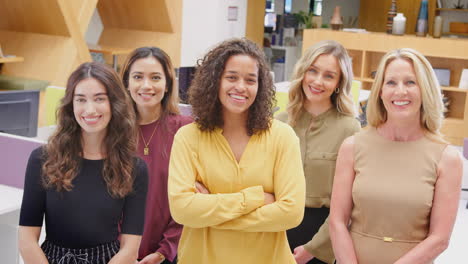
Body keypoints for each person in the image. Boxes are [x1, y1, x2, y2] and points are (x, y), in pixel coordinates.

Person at [168, 38, 305, 264]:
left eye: (250, 80)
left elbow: (291, 213)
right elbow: (182, 210)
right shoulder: (188, 137)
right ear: (214, 81)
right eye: (231, 77)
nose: (241, 87)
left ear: (260, 86)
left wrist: (211, 214)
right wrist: (254, 198)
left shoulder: (283, 136)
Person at [330, 48, 462, 264]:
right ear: (380, 92)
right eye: (391, 82)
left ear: (425, 90)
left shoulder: (447, 158)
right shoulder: (352, 147)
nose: (400, 91)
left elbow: (439, 239)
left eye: (410, 82)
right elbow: (337, 221)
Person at [18, 62, 149, 264]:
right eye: (81, 99)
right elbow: (27, 240)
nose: (89, 109)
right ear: (71, 105)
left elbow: (130, 249)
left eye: (99, 99)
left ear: (114, 104)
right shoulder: (42, 159)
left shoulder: (134, 168)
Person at [277, 40, 360, 264]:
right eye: (312, 71)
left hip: (320, 236)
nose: (317, 81)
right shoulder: (279, 122)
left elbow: (349, 202)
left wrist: (314, 249)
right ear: (302, 72)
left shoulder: (350, 128)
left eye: (329, 76)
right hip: (274, 230)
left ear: (339, 83)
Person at [120, 47, 192, 264]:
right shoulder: (113, 133)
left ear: (168, 83)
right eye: (138, 77)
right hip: (116, 254)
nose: (146, 85)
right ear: (126, 83)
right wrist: (122, 252)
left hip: (170, 254)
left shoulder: (186, 131)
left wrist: (164, 250)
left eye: (155, 77)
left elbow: (191, 199)